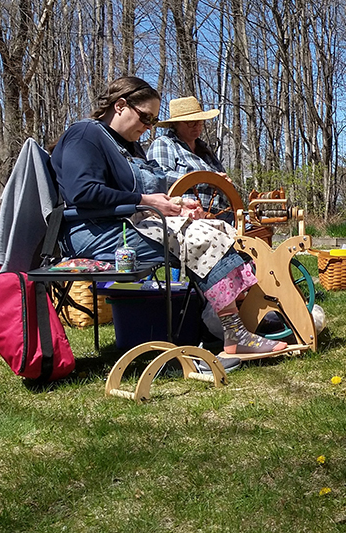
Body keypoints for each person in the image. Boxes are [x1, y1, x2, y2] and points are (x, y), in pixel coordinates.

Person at [50, 76, 284, 354]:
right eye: (146, 118)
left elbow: (150, 187)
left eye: (153, 120)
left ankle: (231, 327)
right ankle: (234, 334)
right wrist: (145, 201)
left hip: (124, 223)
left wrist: (178, 204)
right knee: (200, 237)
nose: (149, 127)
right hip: (93, 232)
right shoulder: (85, 135)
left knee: (215, 228)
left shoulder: (127, 144)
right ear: (121, 105)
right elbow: (83, 193)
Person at [147, 95, 228, 216]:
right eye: (191, 122)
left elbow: (220, 181)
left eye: (200, 121)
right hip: (185, 216)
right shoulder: (164, 144)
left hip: (219, 215)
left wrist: (224, 183)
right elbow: (160, 177)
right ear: (176, 124)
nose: (197, 126)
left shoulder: (205, 151)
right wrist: (207, 180)